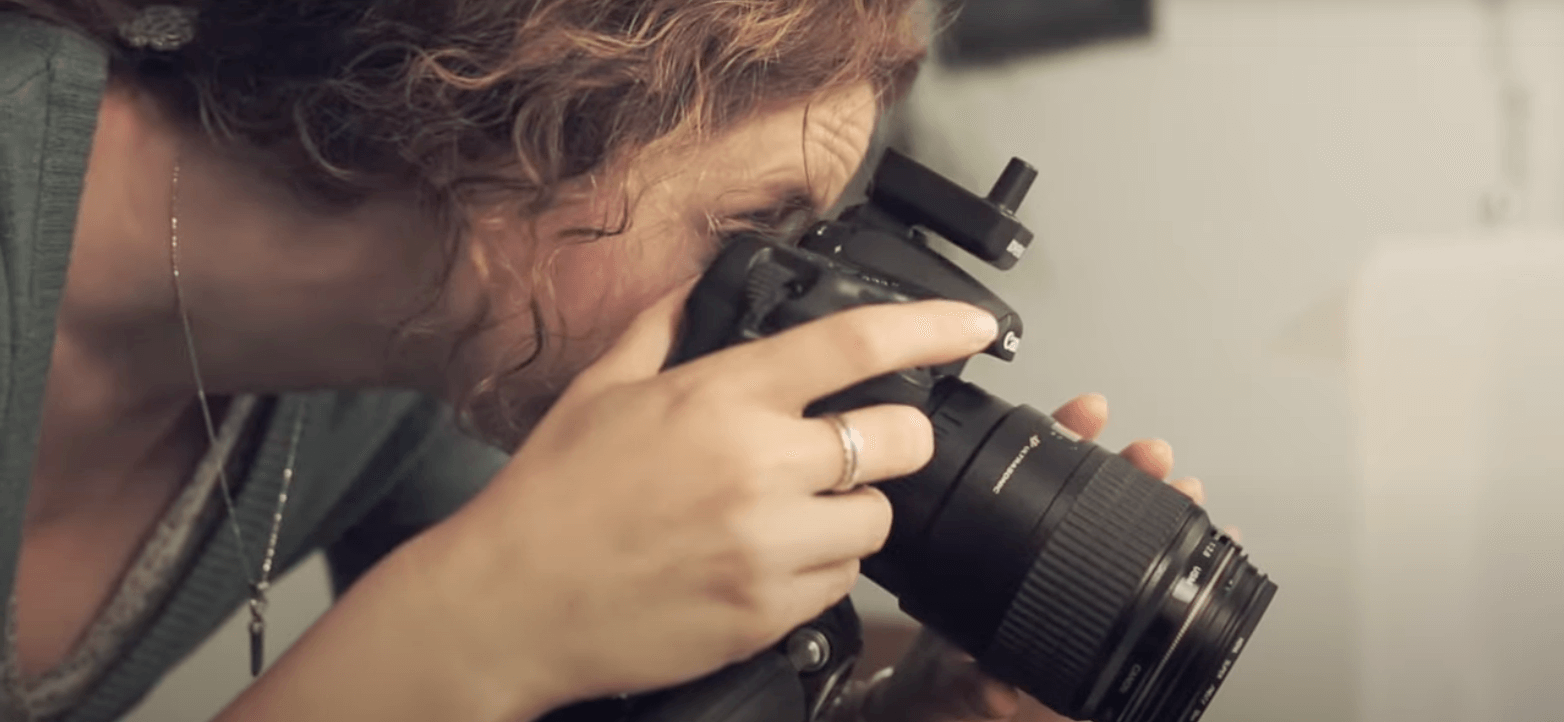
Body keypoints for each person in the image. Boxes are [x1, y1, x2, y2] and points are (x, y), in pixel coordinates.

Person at [0, 1, 1208, 721]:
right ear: (515, 102)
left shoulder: (436, 372)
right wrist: (474, 622)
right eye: (755, 237)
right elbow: (482, 642)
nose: (785, 321)